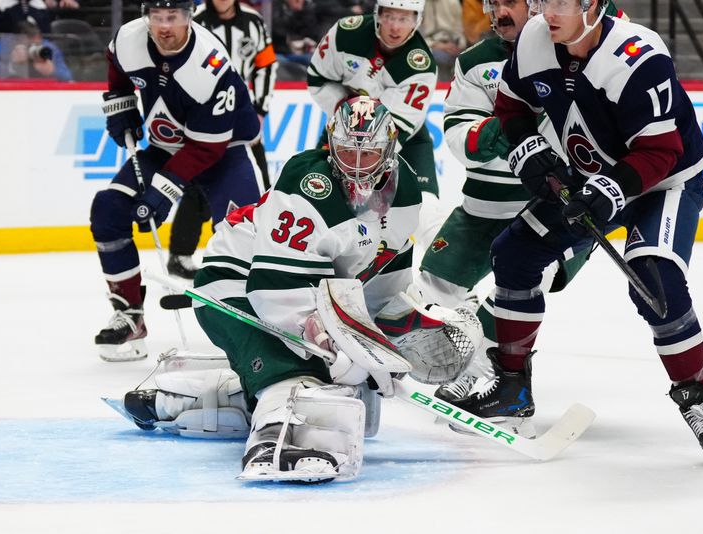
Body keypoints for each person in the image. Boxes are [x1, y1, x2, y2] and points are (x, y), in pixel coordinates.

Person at [118, 97, 480, 482]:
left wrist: (394, 343)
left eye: (369, 153)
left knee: (341, 385)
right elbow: (275, 290)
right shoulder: (309, 184)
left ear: (390, 147)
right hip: (235, 285)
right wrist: (333, 345)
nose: (356, 165)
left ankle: (181, 399)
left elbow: (381, 288)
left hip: (299, 293)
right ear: (330, 144)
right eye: (346, 151)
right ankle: (277, 443)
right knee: (300, 373)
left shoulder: (405, 191)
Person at [456, 0, 703, 452]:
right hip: (591, 175)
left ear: (592, 6)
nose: (547, 12)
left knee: (655, 277)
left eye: (561, 3)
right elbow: (512, 105)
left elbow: (661, 151)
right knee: (514, 254)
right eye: (543, 1)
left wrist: (607, 189)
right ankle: (513, 390)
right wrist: (527, 148)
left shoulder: (637, 56)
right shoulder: (535, 39)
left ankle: (699, 396)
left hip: (664, 182)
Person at [417, 0, 624, 405]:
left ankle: (477, 373)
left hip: (556, 208)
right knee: (433, 288)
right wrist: (487, 133)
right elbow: (458, 126)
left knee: (524, 283)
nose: (499, 12)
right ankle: (409, 359)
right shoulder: (476, 61)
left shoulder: (574, 51)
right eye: (493, 4)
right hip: (483, 207)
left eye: (509, 2)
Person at [89, 0, 263, 362]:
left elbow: (206, 149)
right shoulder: (129, 39)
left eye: (174, 17)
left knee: (247, 233)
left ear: (189, 17)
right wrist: (120, 105)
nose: (164, 26)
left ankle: (257, 321)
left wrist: (162, 190)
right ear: (146, 17)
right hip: (167, 146)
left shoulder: (208, 63)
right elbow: (117, 67)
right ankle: (130, 315)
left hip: (224, 150)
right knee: (108, 210)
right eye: (157, 17)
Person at [306, 0, 441, 257]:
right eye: (390, 16)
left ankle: (446, 279)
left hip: (404, 140)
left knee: (427, 208)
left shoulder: (420, 66)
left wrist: (363, 170)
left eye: (404, 19)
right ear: (378, 13)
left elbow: (394, 130)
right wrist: (344, 110)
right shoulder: (346, 33)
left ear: (417, 20)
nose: (394, 27)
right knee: (318, 195)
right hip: (343, 132)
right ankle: (313, 262)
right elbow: (317, 78)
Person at [165, 0, 278, 279]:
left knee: (259, 181)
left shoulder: (254, 21)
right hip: (202, 121)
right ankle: (180, 254)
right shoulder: (196, 19)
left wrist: (260, 108)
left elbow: (266, 64)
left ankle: (257, 252)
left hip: (242, 118)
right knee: (197, 187)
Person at [0, 21, 73, 81]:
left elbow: (68, 76)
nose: (34, 48)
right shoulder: (2, 47)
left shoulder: (48, 49)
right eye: (30, 45)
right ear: (16, 41)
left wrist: (53, 71)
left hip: (40, 90)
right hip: (9, 91)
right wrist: (9, 65)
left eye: (37, 44)